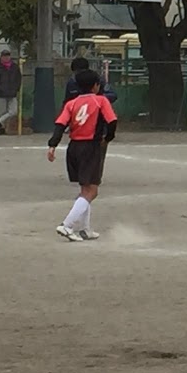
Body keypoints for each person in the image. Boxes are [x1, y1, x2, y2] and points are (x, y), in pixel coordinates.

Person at [46, 68, 117, 242]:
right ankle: (67, 225)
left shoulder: (71, 103)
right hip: (91, 147)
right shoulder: (101, 100)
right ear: (95, 86)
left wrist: (52, 145)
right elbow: (112, 121)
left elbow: (60, 124)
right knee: (92, 190)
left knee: (84, 188)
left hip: (74, 147)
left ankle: (85, 229)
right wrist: (107, 138)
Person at [0, 49, 21, 136]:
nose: (6, 57)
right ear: (1, 57)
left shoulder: (15, 67)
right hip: (1, 93)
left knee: (13, 111)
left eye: (8, 56)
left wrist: (16, 88)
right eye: (4, 56)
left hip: (12, 92)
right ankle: (1, 129)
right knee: (1, 112)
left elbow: (18, 79)